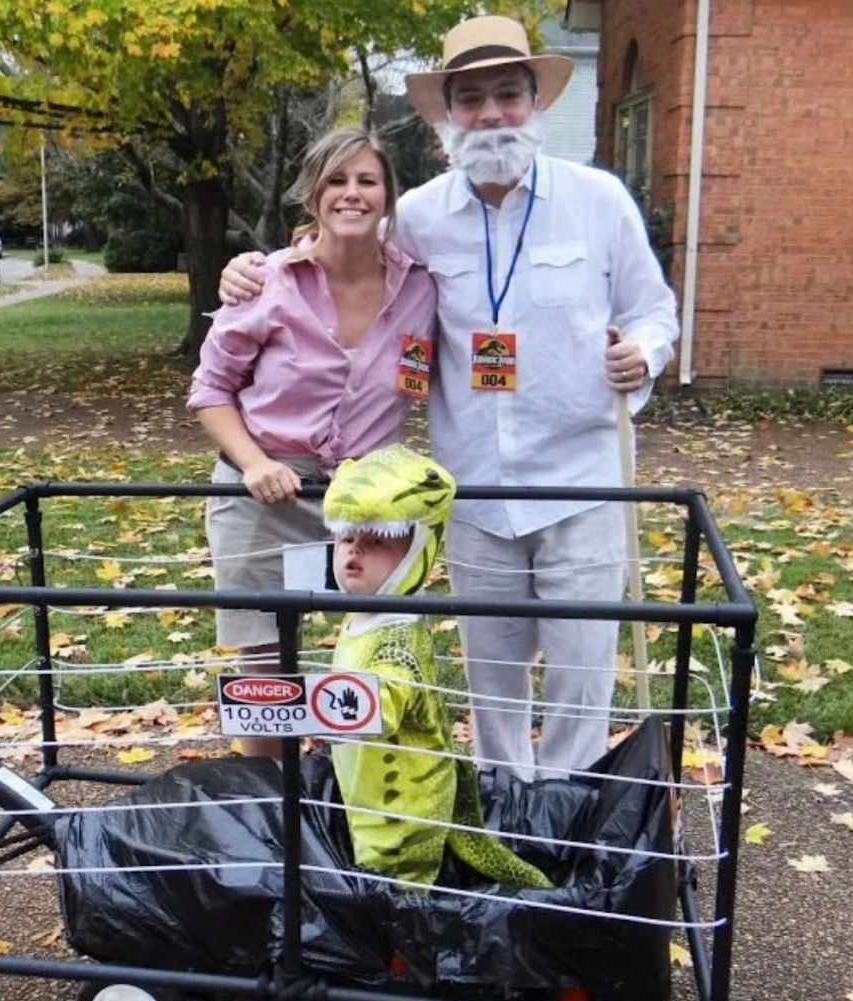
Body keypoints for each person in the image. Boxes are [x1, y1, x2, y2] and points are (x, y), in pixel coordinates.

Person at [218, 16, 679, 780]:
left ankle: (566, 815)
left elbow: (655, 309)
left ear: (535, 103)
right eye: (471, 99)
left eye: (507, 94)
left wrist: (646, 350)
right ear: (447, 115)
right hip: (476, 492)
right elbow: (337, 244)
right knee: (489, 676)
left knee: (581, 671)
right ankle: (504, 797)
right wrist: (254, 269)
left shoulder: (599, 201)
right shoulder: (421, 215)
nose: (491, 113)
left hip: (582, 482)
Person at [187, 127, 436, 757]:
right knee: (267, 670)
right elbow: (210, 391)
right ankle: (272, 816)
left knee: (370, 657)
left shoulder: (420, 289)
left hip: (367, 509)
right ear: (314, 195)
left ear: (388, 196)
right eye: (337, 180)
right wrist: (253, 464)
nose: (352, 194)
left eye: (367, 180)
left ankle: (350, 800)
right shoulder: (266, 280)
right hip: (267, 497)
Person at [323, 443, 550, 889]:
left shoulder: (393, 640)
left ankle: (402, 957)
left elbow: (374, 708)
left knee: (396, 890)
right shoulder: (368, 616)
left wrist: (302, 708)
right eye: (347, 538)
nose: (354, 552)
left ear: (415, 554)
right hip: (367, 791)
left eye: (376, 542)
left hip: (399, 807)